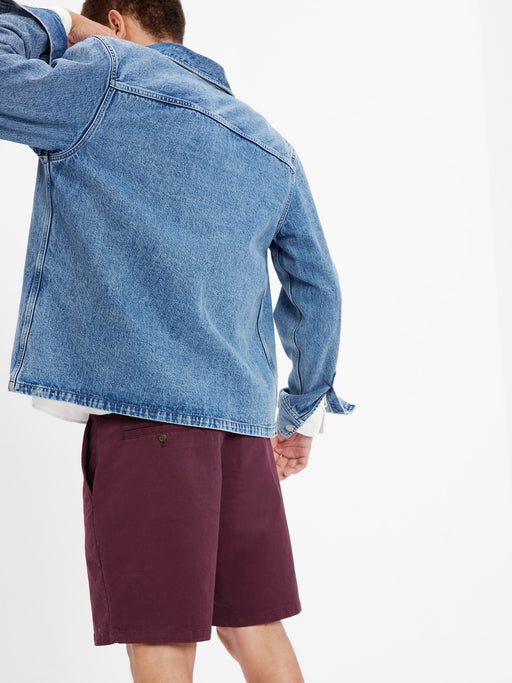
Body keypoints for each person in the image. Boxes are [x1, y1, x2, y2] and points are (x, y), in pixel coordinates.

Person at [0, 1, 355, 680]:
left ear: (115, 20)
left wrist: (54, 25)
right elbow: (318, 288)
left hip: (148, 422)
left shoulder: (102, 81)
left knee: (160, 637)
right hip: (240, 426)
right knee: (255, 628)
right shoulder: (266, 140)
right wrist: (302, 410)